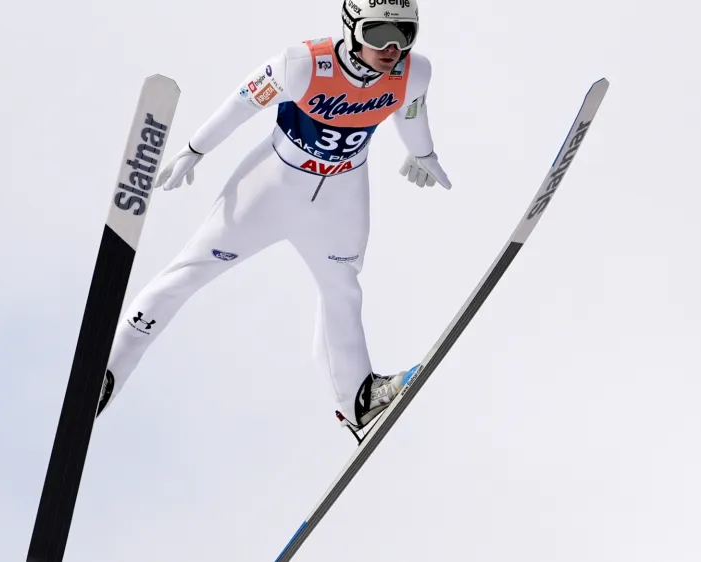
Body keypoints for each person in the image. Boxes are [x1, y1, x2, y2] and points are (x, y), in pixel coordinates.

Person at [96, 0, 452, 431]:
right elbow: (240, 104)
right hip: (270, 190)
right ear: (351, 27)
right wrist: (195, 149)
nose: (392, 47)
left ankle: (357, 398)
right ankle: (106, 371)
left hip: (341, 196)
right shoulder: (302, 65)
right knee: (187, 273)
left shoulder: (414, 72)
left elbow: (412, 109)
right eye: (379, 34)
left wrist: (423, 152)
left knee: (342, 289)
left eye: (405, 34)